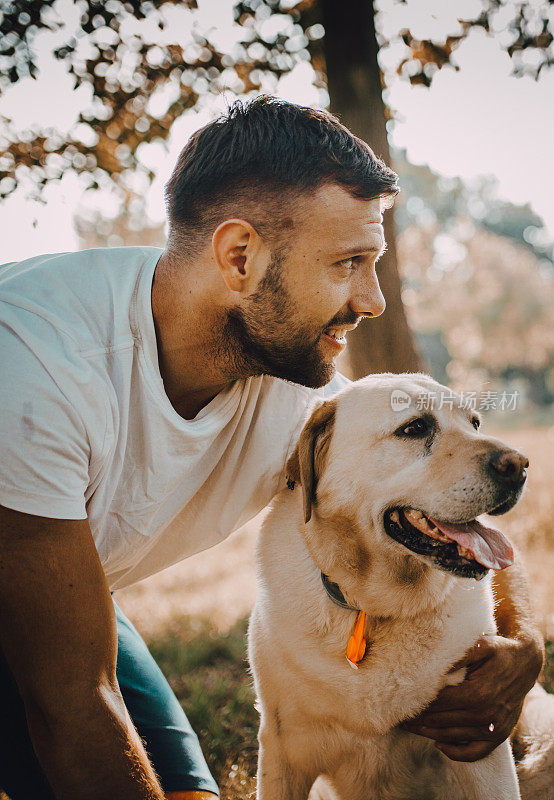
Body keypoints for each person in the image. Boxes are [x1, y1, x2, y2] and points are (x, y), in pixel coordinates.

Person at [0, 97, 543, 799]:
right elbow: (70, 698)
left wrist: (523, 642)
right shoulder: (37, 369)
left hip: (63, 586)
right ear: (239, 256)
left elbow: (446, 502)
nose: (372, 299)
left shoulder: (297, 395)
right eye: (349, 262)